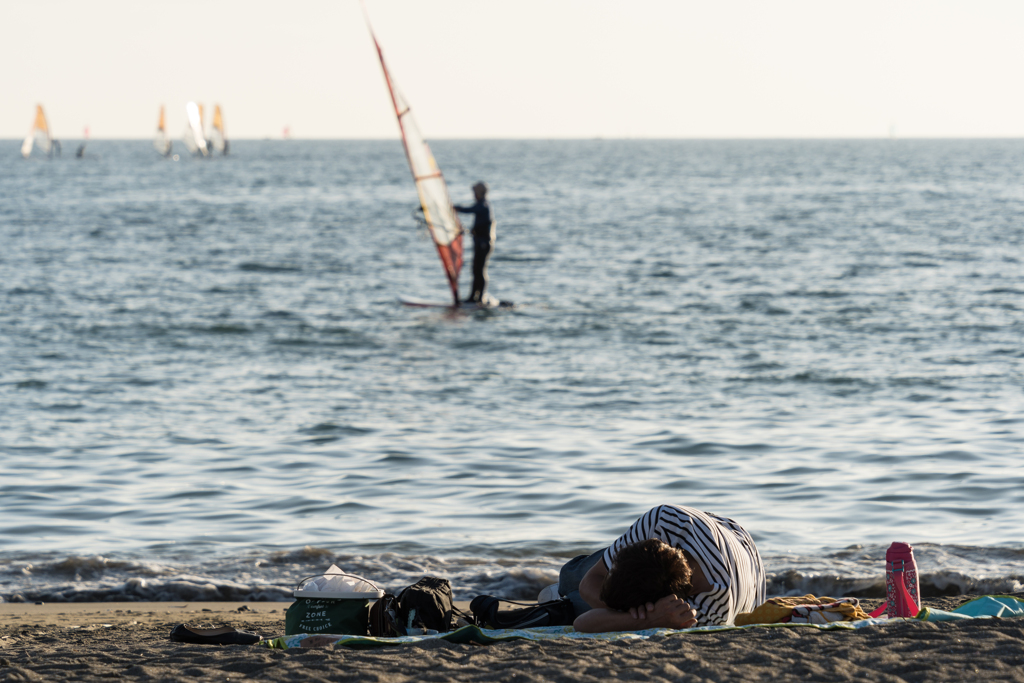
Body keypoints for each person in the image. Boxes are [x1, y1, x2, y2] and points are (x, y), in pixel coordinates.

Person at [557, 504, 766, 632]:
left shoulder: (711, 611)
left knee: (578, 604)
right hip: (727, 534)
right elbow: (589, 583)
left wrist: (639, 619)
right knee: (572, 578)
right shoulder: (663, 520)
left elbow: (582, 624)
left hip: (737, 557)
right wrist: (633, 614)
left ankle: (562, 598)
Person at [453, 182, 495, 304]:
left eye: (475, 192)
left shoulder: (483, 205)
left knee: (479, 270)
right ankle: (473, 297)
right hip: (480, 243)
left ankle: (479, 298)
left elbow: (469, 209)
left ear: (480, 193)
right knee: (476, 270)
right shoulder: (481, 204)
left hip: (483, 244)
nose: (473, 195)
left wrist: (454, 208)